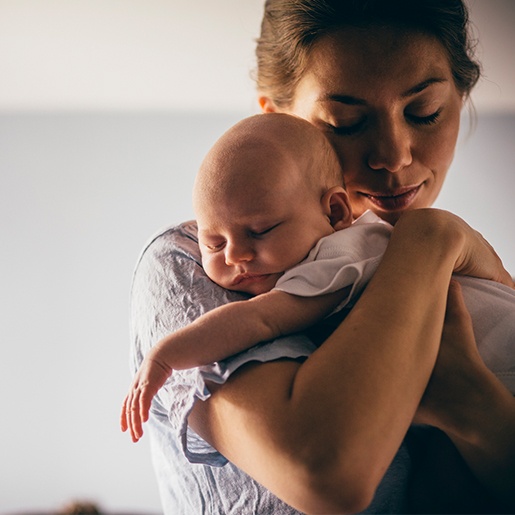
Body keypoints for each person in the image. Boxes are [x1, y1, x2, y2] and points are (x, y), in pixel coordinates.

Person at [126, 1, 515, 513]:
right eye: (346, 122)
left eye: (425, 112)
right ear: (279, 122)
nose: (394, 156)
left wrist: (470, 403)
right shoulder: (196, 262)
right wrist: (430, 239)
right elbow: (326, 473)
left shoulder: (462, 272)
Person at [121, 113, 515, 445]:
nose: (236, 255)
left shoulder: (343, 254)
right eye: (213, 242)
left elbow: (261, 318)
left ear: (336, 212)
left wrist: (166, 355)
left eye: (261, 230)